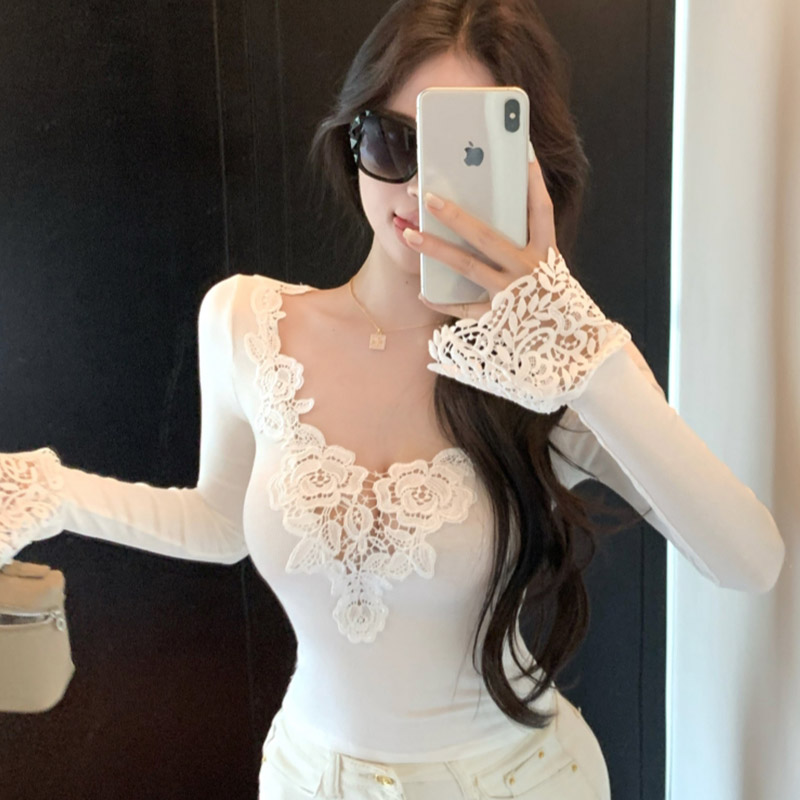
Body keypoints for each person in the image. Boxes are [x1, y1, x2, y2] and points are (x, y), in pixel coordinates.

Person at [0, 1, 785, 798]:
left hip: (515, 782)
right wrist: (54, 494)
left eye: (461, 154)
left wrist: (584, 351)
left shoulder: (559, 367)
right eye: (392, 141)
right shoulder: (245, 322)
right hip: (308, 778)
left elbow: (750, 560)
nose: (418, 189)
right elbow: (221, 523)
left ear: (528, 175)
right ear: (353, 141)